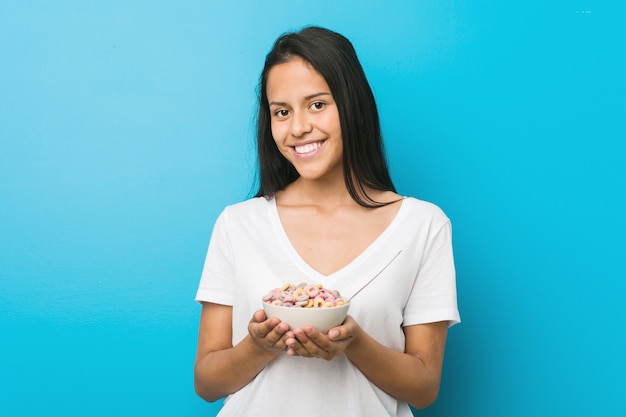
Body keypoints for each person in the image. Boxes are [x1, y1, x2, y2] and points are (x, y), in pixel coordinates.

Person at [194, 26, 460, 416]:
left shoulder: (422, 225)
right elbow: (207, 382)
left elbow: (423, 388)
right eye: (281, 112)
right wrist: (258, 345)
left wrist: (354, 343)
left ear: (352, 105)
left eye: (317, 104)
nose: (298, 127)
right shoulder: (238, 224)